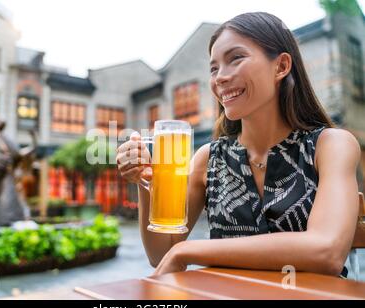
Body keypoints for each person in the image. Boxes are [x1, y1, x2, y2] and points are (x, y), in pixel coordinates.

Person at [116, 12, 361, 278]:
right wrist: (144, 180)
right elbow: (161, 254)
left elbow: (327, 251)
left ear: (281, 66)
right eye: (213, 68)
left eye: (236, 58)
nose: (220, 77)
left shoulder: (331, 145)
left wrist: (189, 251)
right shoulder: (208, 158)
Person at [0, 120, 36, 227]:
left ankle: (4, 222)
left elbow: (19, 154)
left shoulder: (8, 141)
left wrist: (34, 140)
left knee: (8, 202)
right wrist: (5, 160)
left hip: (6, 175)